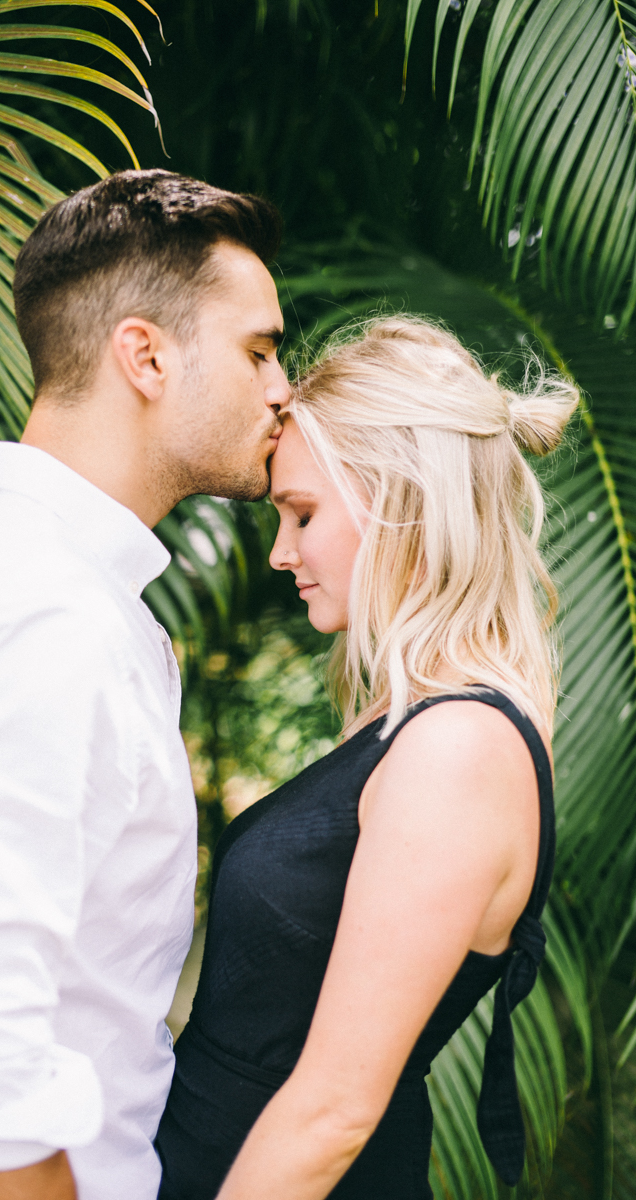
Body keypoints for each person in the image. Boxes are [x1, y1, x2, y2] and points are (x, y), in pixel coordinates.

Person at [0, 169, 289, 1200]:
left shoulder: (42, 583)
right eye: (257, 350)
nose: (281, 386)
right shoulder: (34, 606)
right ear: (144, 355)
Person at [155, 315, 579, 1200]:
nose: (280, 553)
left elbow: (335, 1109)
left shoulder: (460, 748)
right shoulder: (404, 721)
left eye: (302, 513)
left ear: (405, 500)